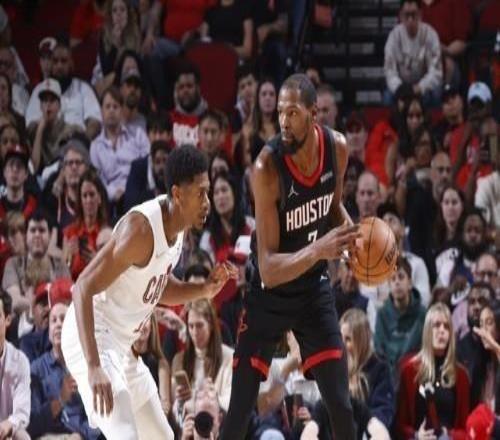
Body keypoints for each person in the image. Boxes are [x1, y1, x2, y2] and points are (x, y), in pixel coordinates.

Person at [61, 145, 237, 438]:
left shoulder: (177, 228)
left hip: (121, 345)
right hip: (91, 336)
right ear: (177, 194)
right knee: (125, 434)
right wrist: (93, 366)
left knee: (162, 436)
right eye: (201, 193)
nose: (207, 202)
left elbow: (157, 286)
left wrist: (204, 289)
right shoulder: (140, 230)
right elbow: (82, 288)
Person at [220, 73, 360, 440]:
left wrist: (355, 239)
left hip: (312, 289)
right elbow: (268, 268)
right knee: (239, 412)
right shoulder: (267, 167)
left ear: (314, 114)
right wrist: (320, 249)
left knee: (341, 406)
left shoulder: (337, 148)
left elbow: (332, 207)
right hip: (269, 293)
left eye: (293, 113)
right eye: (280, 112)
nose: (283, 121)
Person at [0, 290, 31, 440]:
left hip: (5, 432)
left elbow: (21, 413)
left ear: (7, 320)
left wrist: (8, 424)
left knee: (22, 435)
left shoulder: (20, 361)